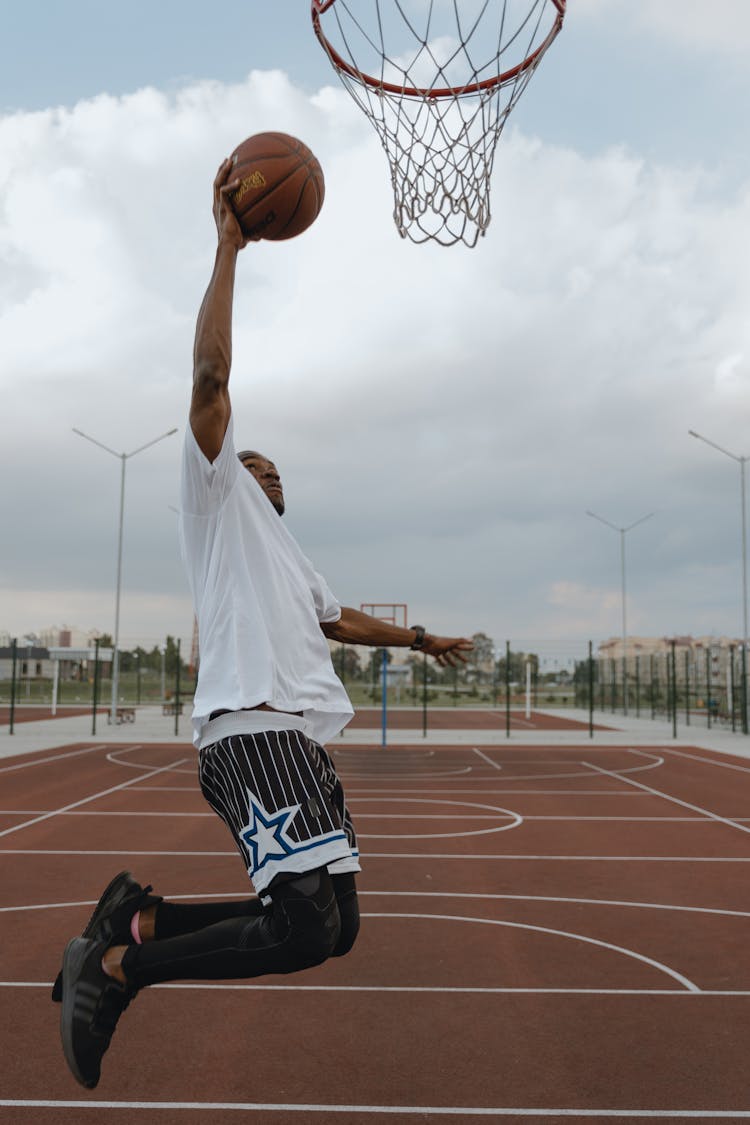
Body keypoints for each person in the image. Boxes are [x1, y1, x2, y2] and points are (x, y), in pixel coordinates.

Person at [57, 157, 474, 1089]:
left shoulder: (288, 556)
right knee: (298, 929)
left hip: (295, 737)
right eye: (248, 459)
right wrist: (229, 245)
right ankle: (120, 970)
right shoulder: (214, 499)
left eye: (270, 464)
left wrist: (417, 638)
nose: (262, 466)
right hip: (250, 727)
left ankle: (136, 919)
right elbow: (210, 376)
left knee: (340, 929)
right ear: (225, 471)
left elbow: (339, 617)